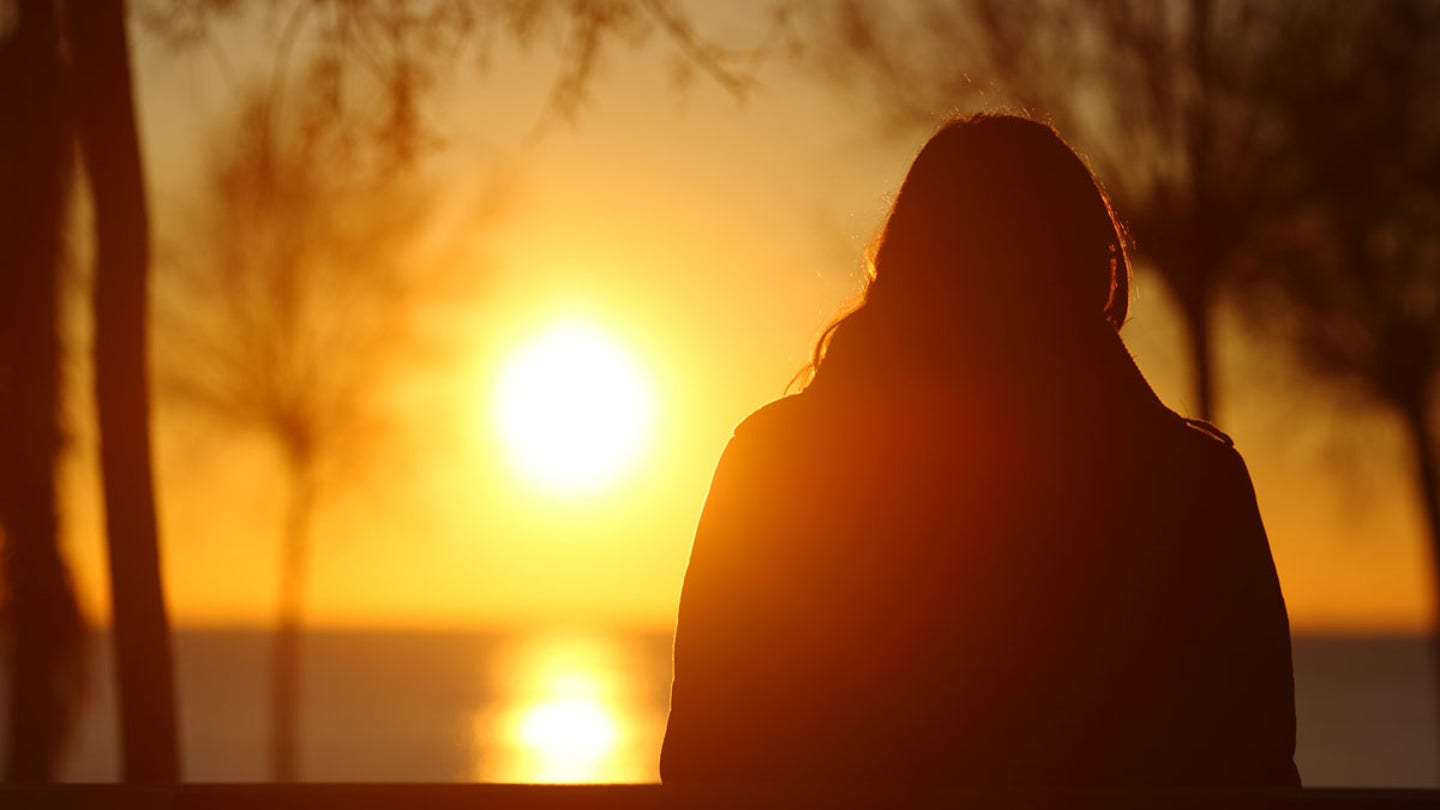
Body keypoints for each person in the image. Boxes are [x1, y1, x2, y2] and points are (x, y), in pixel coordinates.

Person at [660, 113, 1299, 786]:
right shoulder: (1194, 487)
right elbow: (1255, 767)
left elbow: (705, 758)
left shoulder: (774, 466)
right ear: (1092, 272)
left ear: (906, 264)